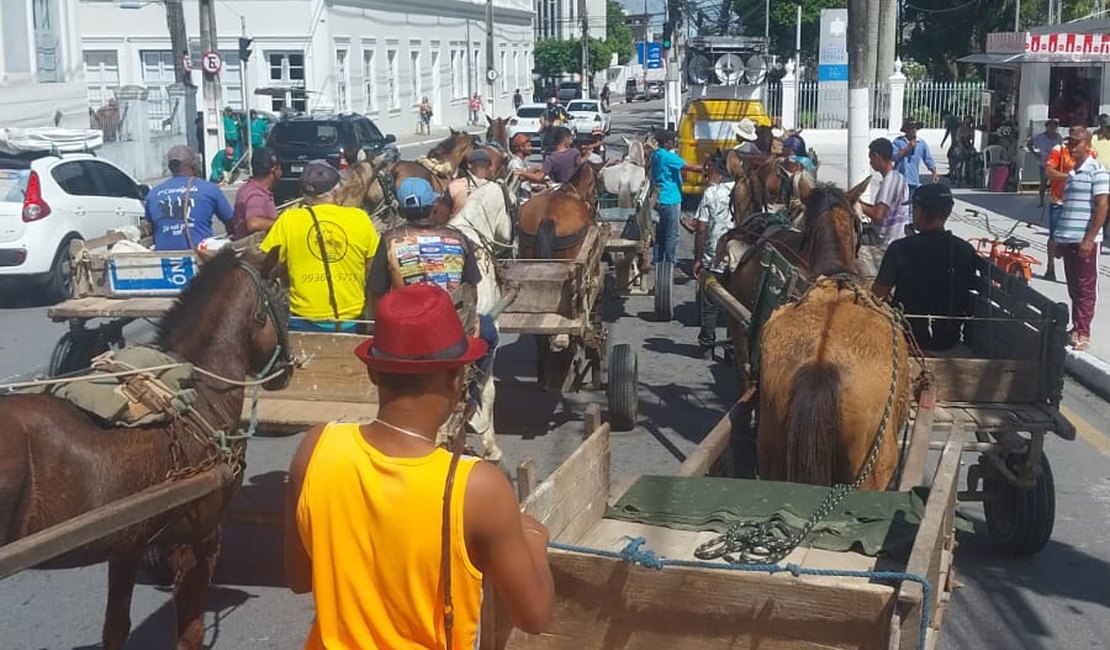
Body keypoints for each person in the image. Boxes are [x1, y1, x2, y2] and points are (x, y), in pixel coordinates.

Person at [285, 283, 554, 650]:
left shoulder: (317, 447)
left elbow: (301, 578)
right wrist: (535, 541)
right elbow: (535, 616)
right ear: (456, 379)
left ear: (373, 373)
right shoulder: (475, 488)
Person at [368, 177, 499, 412]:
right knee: (490, 334)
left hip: (405, 335)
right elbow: (471, 290)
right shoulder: (459, 239)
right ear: (434, 206)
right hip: (450, 336)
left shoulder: (389, 240)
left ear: (401, 210)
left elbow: (376, 293)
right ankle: (472, 393)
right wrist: (473, 327)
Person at [260, 160, 380, 331]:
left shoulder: (288, 219)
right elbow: (372, 270)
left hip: (303, 320)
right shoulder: (360, 218)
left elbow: (265, 263)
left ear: (305, 195)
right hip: (352, 322)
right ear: (337, 191)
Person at [872, 183, 980, 352]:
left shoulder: (899, 248)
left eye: (914, 209)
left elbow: (877, 296)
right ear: (948, 212)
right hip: (949, 342)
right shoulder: (965, 250)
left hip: (907, 342)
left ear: (920, 211)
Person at [1055, 126, 1107, 351]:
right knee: (1073, 286)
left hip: (1085, 240)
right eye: (1070, 142)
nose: (1071, 147)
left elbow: (1102, 205)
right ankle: (1076, 327)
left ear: (1088, 144)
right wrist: (1058, 238)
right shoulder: (1072, 172)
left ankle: (1083, 332)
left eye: (1076, 143)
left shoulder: (1098, 171)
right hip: (1068, 237)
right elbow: (1068, 208)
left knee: (1086, 287)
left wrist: (1090, 238)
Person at [145, 146, 233, 251]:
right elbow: (231, 223)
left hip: (164, 261)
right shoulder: (209, 189)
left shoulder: (153, 194)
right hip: (201, 259)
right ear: (194, 165)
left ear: (170, 167)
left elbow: (152, 227)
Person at [693, 156, 735, 359]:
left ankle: (706, 345)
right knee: (734, 308)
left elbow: (701, 229)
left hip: (713, 258)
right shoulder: (742, 191)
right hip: (738, 260)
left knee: (710, 305)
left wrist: (698, 259)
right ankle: (730, 348)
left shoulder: (711, 193)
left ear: (719, 171)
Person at [651, 130, 703, 267]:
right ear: (667, 142)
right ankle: (669, 263)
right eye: (672, 140)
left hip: (660, 198)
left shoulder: (656, 155)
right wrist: (708, 168)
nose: (675, 142)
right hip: (671, 199)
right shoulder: (668, 157)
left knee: (660, 234)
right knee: (671, 235)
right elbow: (691, 167)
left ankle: (657, 261)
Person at [860, 138, 911, 248]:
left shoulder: (890, 180)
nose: (870, 163)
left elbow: (878, 215)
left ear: (877, 156)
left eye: (871, 158)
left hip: (887, 241)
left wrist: (858, 205)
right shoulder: (898, 177)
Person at [230, 147, 281, 240]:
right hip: (252, 250)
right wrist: (282, 223)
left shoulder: (247, 188)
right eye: (280, 166)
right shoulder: (257, 194)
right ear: (274, 169)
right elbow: (253, 224)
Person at [892, 119, 938, 199]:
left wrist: (934, 173)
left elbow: (928, 159)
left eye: (915, 128)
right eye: (910, 128)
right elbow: (894, 157)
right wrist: (908, 148)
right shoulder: (898, 142)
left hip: (913, 180)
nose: (913, 130)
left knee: (912, 206)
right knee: (901, 206)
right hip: (900, 181)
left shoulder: (921, 143)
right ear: (905, 129)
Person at [448, 149, 495, 216]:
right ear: (490, 167)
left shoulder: (454, 186)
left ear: (469, 165)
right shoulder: (497, 190)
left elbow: (440, 217)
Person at [1028, 119, 1062, 207]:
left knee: (1056, 183)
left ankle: (1055, 199)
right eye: (1050, 126)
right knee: (1043, 182)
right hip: (1044, 163)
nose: (1052, 128)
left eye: (1054, 126)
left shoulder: (1058, 137)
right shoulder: (1039, 136)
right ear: (1046, 127)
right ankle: (1041, 201)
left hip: (1056, 163)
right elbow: (1029, 143)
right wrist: (1035, 153)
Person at [508, 133, 545, 202]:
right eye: (528, 146)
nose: (531, 148)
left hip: (527, 197)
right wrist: (534, 171)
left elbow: (526, 176)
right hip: (518, 200)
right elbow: (519, 177)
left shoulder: (524, 163)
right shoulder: (514, 162)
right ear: (519, 148)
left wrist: (534, 186)